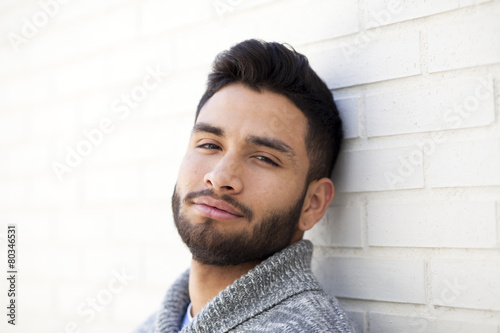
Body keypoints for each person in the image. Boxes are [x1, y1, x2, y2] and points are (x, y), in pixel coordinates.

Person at [134, 39, 355, 333]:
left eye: (264, 158)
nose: (220, 176)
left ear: (312, 203)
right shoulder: (156, 324)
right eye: (209, 144)